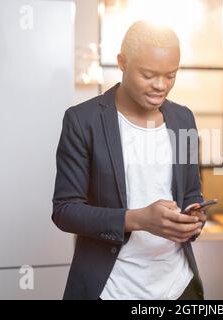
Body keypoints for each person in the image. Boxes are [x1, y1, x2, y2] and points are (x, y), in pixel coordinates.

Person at [52, 20, 207, 300]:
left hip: (178, 286)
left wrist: (194, 217)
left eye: (170, 75)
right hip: (112, 289)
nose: (161, 86)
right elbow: (65, 210)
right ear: (122, 63)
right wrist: (138, 219)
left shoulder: (184, 119)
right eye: (148, 75)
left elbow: (192, 191)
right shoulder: (83, 121)